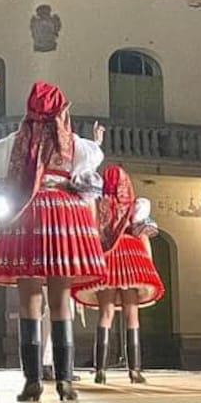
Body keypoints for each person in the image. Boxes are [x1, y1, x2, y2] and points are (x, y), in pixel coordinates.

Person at [0, 81, 106, 402]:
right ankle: (65, 381)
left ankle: (32, 381)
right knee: (60, 300)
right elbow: (89, 174)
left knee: (29, 301)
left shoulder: (13, 143)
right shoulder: (75, 145)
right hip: (64, 218)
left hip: (26, 213)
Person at [73, 165, 164, 386]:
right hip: (132, 256)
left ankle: (100, 370)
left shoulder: (98, 204)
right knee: (132, 314)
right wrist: (149, 263)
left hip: (106, 257)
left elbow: (91, 231)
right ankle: (135, 370)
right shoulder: (136, 206)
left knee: (105, 313)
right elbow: (143, 234)